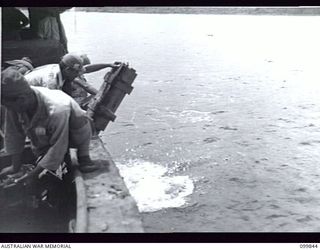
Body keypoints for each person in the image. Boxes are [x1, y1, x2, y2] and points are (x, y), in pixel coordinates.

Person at [0, 68, 99, 183]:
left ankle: (84, 156)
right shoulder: (15, 102)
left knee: (74, 138)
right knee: (40, 139)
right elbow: (13, 134)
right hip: (47, 130)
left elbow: (59, 145)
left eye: (9, 106)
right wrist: (15, 166)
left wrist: (33, 174)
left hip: (75, 129)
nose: (9, 109)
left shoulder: (57, 108)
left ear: (22, 100)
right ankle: (44, 156)